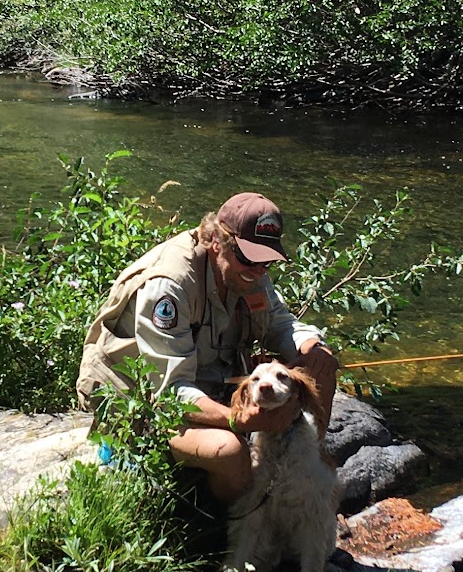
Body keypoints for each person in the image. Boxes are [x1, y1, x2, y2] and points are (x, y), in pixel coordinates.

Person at [76, 192, 339, 504]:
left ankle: (301, 475)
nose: (258, 270)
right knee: (229, 450)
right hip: (148, 405)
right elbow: (172, 392)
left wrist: (312, 343)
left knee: (319, 367)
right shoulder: (170, 286)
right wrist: (238, 419)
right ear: (216, 240)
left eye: (267, 260)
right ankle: (218, 523)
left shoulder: (248, 270)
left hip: (206, 387)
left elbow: (280, 323)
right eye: (249, 258)